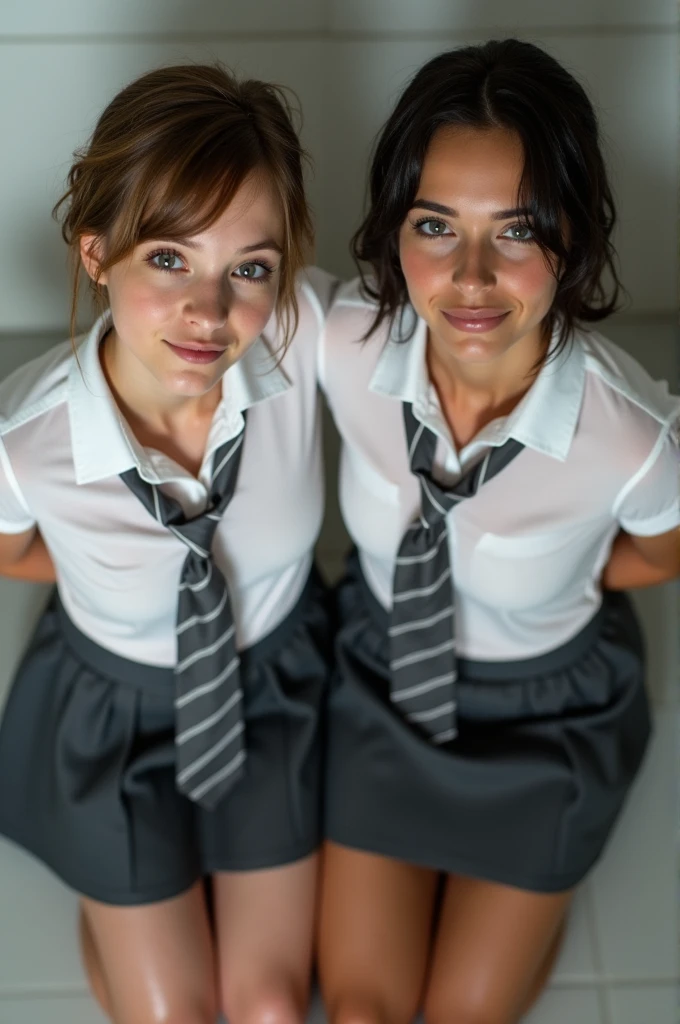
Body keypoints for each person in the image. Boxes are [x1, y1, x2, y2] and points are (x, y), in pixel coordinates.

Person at [318, 38, 680, 1024]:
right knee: (355, 1012)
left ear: (573, 234)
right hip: (383, 677)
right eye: (434, 225)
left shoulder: (632, 439)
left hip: (546, 713)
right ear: (393, 226)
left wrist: (570, 579)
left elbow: (660, 548)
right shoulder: (342, 342)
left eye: (515, 231)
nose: (468, 277)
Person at [0, 63, 335, 1024]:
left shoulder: (298, 331)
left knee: (270, 1006)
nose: (211, 309)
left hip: (273, 684)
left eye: (251, 267)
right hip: (115, 708)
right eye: (169, 259)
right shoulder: (27, 441)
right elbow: (18, 549)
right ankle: (122, 896)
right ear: (98, 252)